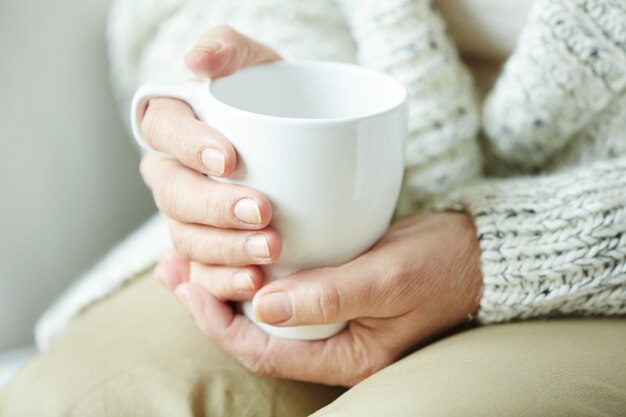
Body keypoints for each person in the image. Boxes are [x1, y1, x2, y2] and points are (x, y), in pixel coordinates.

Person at [1, 0, 625, 415]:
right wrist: (257, 98)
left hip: (595, 255)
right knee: (72, 401)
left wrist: (516, 253)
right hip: (351, 194)